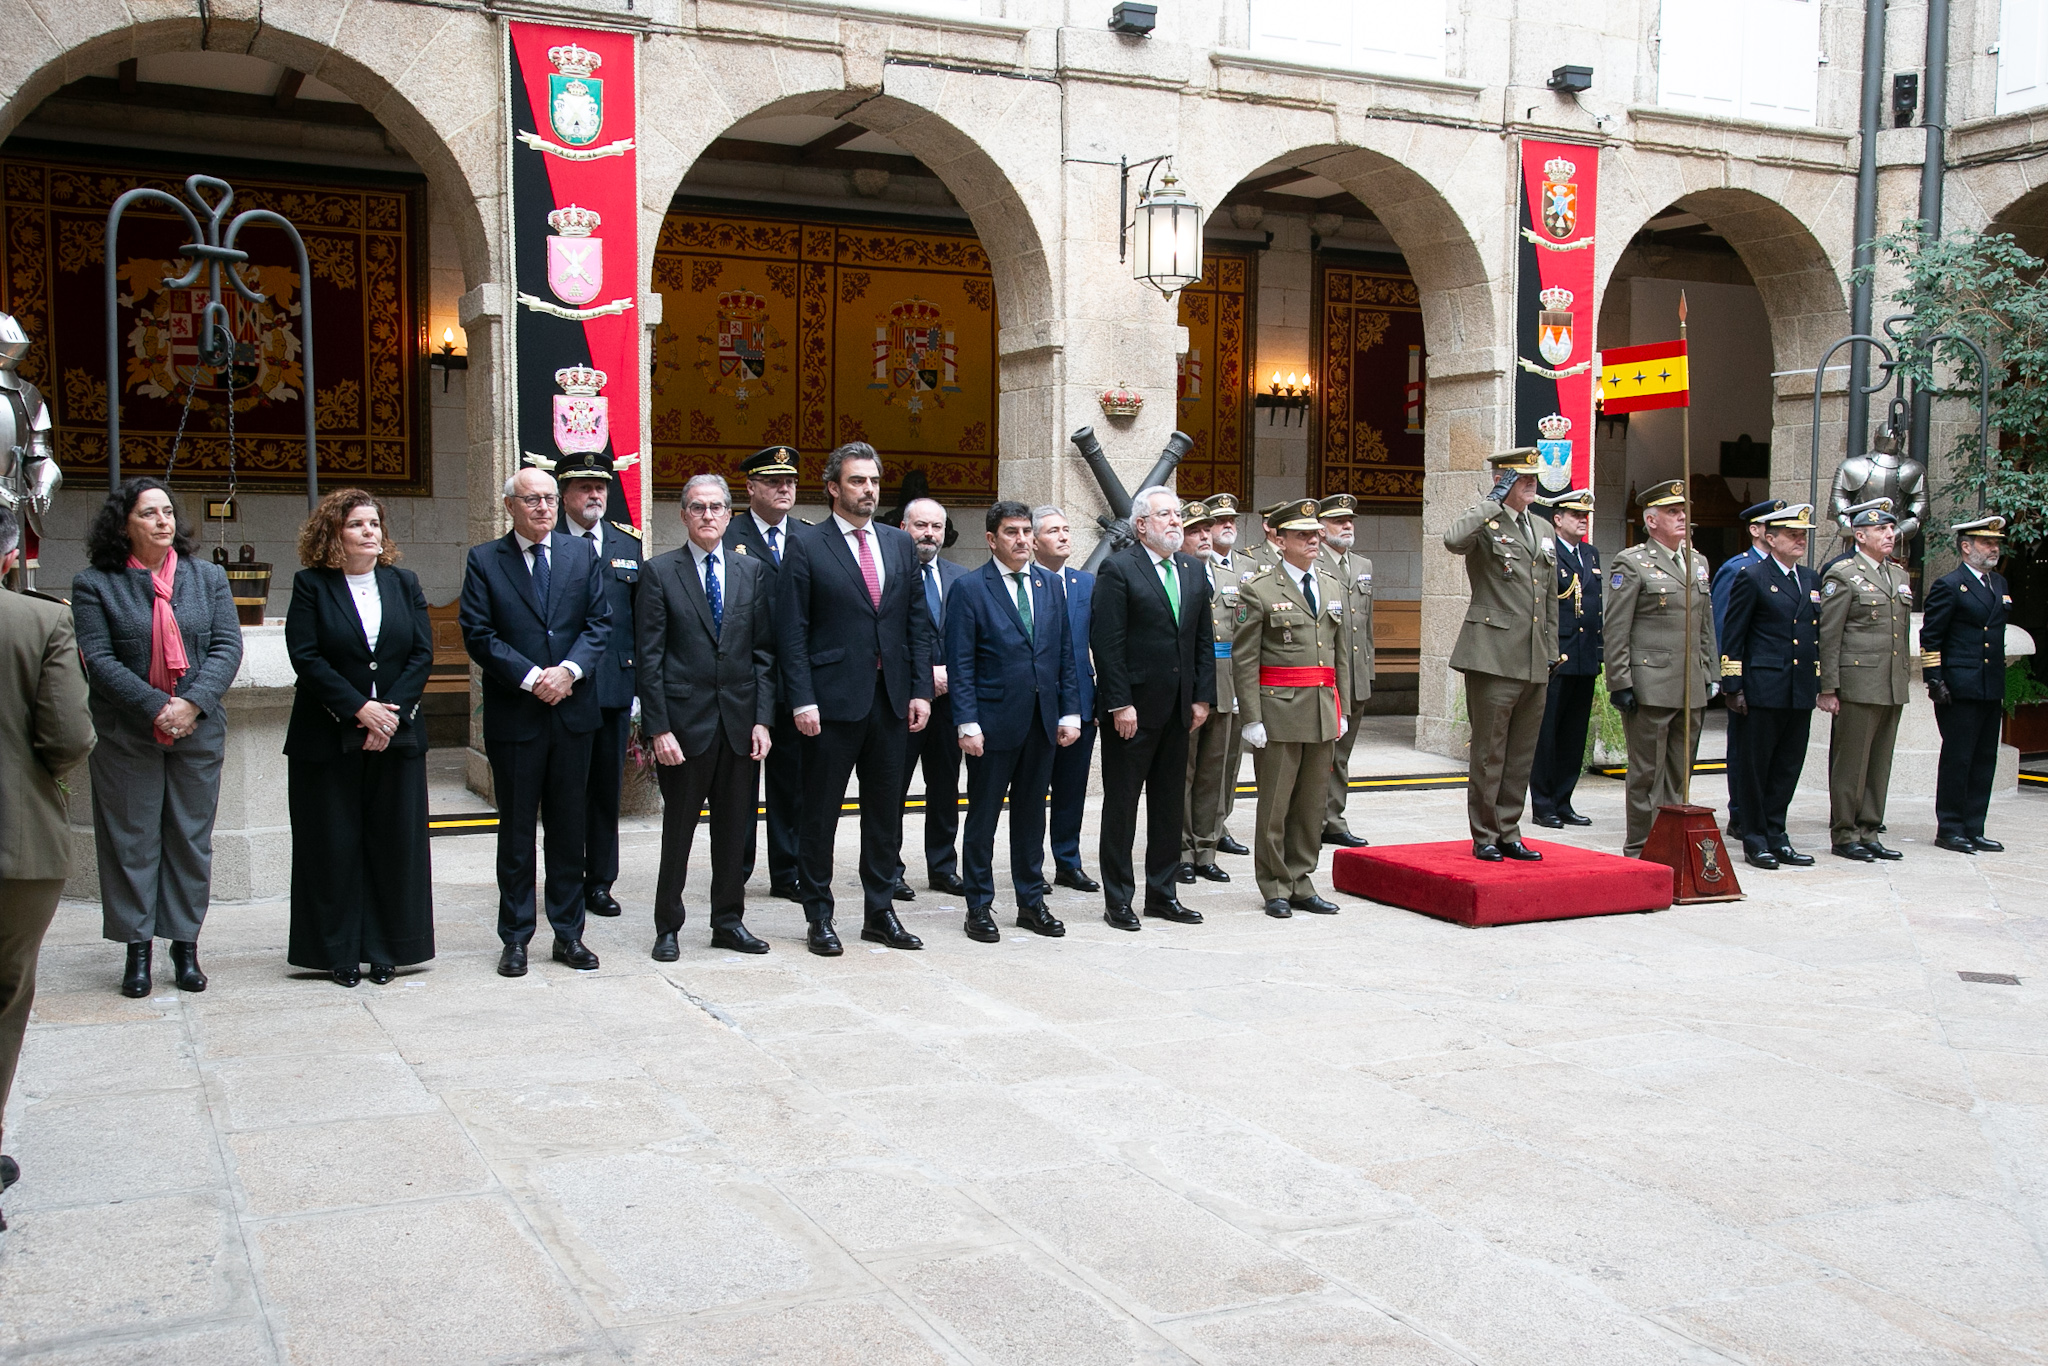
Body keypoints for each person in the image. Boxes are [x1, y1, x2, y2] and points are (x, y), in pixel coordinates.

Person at [71, 478, 242, 997]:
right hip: (127, 733)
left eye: (167, 511)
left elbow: (226, 647)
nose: (163, 520)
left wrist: (190, 704)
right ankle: (137, 951)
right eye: (149, 513)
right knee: (132, 840)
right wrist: (156, 707)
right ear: (123, 524)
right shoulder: (94, 584)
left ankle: (185, 947)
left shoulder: (207, 577)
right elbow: (97, 659)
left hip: (197, 729)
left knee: (190, 840)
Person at [776, 441, 932, 956]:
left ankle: (880, 912)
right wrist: (801, 699)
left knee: (885, 813)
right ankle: (819, 915)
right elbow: (792, 630)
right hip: (830, 703)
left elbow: (916, 623)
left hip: (890, 701)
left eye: (874, 481)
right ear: (833, 487)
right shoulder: (806, 544)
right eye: (857, 480)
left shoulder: (899, 543)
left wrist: (920, 690)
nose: (868, 489)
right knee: (820, 814)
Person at [459, 466, 613, 977]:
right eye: (532, 500)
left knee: (569, 830)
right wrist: (531, 678)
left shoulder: (581, 555)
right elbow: (479, 634)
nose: (543, 507)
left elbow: (599, 624)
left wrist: (568, 672)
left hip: (572, 714)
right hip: (517, 716)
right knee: (517, 833)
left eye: (549, 498)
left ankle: (569, 935)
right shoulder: (485, 560)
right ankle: (516, 937)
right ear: (510, 507)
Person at [283, 489, 437, 987]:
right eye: (357, 524)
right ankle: (338, 952)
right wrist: (358, 709)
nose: (370, 532)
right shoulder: (311, 585)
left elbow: (421, 653)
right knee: (332, 844)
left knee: (395, 844)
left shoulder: (403, 582)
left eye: (374, 523)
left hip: (397, 734)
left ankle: (389, 947)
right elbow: (306, 656)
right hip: (326, 736)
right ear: (333, 534)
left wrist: (388, 716)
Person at [0, 505, 94, 1231]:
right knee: (5, 997)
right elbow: (67, 735)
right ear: (11, 556)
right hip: (16, 843)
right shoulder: (39, 621)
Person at [639, 475, 776, 957]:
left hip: (739, 724)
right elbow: (649, 658)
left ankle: (728, 922)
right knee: (678, 832)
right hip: (683, 726)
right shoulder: (660, 572)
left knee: (734, 830)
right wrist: (658, 728)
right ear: (683, 515)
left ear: (729, 514)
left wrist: (763, 719)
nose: (708, 515)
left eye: (717, 507)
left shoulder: (751, 571)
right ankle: (668, 926)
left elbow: (763, 653)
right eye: (698, 507)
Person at [947, 501, 1081, 941]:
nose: (1022, 540)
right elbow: (960, 663)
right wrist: (967, 723)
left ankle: (1031, 902)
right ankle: (979, 906)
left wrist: (1069, 711)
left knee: (1031, 817)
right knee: (983, 818)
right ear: (991, 539)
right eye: (1011, 532)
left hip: (1042, 722)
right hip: (991, 724)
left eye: (1026, 531)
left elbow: (1064, 654)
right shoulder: (970, 588)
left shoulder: (1049, 584)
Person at [1091, 486, 1213, 930]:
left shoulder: (1192, 570)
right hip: (1133, 712)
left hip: (1178, 709)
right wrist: (1119, 702)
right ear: (1141, 525)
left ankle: (1163, 894)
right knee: (1122, 806)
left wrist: (1201, 696)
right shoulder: (1119, 568)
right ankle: (1118, 899)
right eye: (1165, 515)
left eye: (1177, 514)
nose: (1176, 521)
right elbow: (1107, 643)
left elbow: (1202, 640)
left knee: (1168, 807)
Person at [1234, 499, 1350, 917]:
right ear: (1280, 540)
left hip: (1320, 709)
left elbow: (1339, 654)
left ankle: (1302, 881)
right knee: (1275, 806)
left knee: (1311, 804)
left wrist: (1341, 708)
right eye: (1302, 535)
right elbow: (1245, 658)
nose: (1313, 541)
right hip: (1279, 711)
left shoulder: (1331, 585)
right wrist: (1251, 717)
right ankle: (1275, 886)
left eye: (1315, 534)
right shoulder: (1260, 588)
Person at [1444, 449, 1558, 862]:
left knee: (1521, 752)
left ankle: (1510, 830)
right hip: (1492, 655)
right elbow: (1453, 540)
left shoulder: (1542, 527)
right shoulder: (1485, 522)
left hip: (1533, 655)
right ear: (1501, 479)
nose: (1531, 483)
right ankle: (1486, 834)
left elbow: (1549, 597)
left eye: (1533, 477)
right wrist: (1493, 500)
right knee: (1489, 752)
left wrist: (1552, 650)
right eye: (1521, 477)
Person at [1600, 480, 1715, 858]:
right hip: (1650, 683)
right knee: (1647, 773)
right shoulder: (1632, 562)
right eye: (1672, 512)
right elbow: (1617, 627)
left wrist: (1711, 673)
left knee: (1681, 772)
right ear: (1651, 521)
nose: (1682, 517)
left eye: (1683, 511)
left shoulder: (1698, 562)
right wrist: (1620, 681)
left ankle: (1672, 843)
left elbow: (1705, 624)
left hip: (1690, 682)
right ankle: (1641, 847)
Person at [556, 452, 640, 921]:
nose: (594, 495)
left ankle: (601, 881)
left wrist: (640, 687)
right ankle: (566, 877)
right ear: (564, 494)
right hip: (564, 687)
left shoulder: (627, 543)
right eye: (584, 487)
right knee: (568, 790)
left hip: (612, 685)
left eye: (601, 487)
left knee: (607, 791)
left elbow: (641, 620)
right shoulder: (548, 541)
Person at [723, 445, 806, 900]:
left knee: (790, 781)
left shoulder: (808, 536)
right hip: (744, 674)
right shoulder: (728, 532)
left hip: (792, 678)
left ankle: (787, 871)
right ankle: (734, 869)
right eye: (774, 482)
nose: (784, 488)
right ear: (750, 487)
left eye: (790, 481)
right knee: (739, 782)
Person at [1719, 503, 1822, 870]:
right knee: (1755, 767)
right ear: (1771, 538)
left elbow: (1813, 635)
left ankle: (1778, 834)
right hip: (1762, 687)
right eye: (1792, 535)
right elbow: (1734, 635)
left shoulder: (1809, 578)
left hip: (1798, 688)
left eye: (1803, 535)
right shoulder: (1752, 576)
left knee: (1787, 766)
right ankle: (1755, 838)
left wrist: (1820, 683)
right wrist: (1733, 686)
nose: (1800, 540)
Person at [1818, 501, 1912, 862]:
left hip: (1890, 683)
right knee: (1851, 763)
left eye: (1891, 529)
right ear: (1860, 536)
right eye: (1881, 530)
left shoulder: (1898, 575)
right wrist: (1828, 687)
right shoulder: (1843, 575)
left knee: (1879, 762)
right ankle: (1845, 833)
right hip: (1857, 683)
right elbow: (1830, 635)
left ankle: (1869, 830)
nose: (1890, 534)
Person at [1922, 515, 2012, 856]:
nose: (1994, 549)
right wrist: (1934, 679)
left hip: (1989, 685)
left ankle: (1974, 827)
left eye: (1996, 543)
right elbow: (1931, 637)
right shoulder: (1950, 585)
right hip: (1959, 687)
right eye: (1987, 543)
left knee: (1984, 759)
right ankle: (1950, 828)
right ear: (1965, 547)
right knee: (1958, 759)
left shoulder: (1998, 584)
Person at [897, 496, 968, 899]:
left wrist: (951, 676)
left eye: (936, 527)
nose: (929, 534)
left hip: (949, 703)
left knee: (945, 788)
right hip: (904, 701)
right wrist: (925, 677)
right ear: (904, 528)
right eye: (921, 525)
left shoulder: (961, 578)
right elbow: (888, 639)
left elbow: (971, 639)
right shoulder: (890, 575)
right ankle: (888, 869)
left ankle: (943, 867)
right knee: (893, 789)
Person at [1034, 506, 1102, 892]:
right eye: (1053, 531)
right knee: (1032, 790)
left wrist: (1102, 700)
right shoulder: (1026, 583)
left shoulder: (1085, 583)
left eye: (1066, 529)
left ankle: (1068, 862)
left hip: (1081, 701)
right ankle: (1031, 866)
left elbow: (1102, 644)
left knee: (1071, 789)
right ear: (1033, 541)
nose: (1063, 537)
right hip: (1037, 702)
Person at [1529, 489, 1602, 828]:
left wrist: (1598, 652)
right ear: (1557, 519)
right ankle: (1544, 804)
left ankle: (1564, 800)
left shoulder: (1590, 553)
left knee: (1574, 735)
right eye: (1576, 515)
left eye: (1585, 515)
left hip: (1584, 657)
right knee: (1548, 735)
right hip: (1557, 657)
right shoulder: (1548, 552)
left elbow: (1594, 607)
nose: (1582, 520)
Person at [1711, 500, 1779, 842]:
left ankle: (1764, 814)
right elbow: (1724, 626)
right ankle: (1740, 814)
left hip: (1775, 678)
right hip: (1747, 675)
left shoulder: (1787, 571)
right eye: (1771, 524)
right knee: (1743, 750)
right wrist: (1729, 678)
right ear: (1755, 530)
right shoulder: (1738, 568)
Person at [1177, 500, 1235, 885]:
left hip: (1225, 685)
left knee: (1215, 773)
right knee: (1184, 772)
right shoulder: (1176, 574)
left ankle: (1206, 849)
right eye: (1194, 531)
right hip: (1188, 687)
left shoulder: (1228, 575)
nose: (1204, 536)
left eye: (1206, 530)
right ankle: (1181, 850)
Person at [1316, 492, 1376, 847]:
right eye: (1339, 521)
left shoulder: (1363, 565)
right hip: (1326, 675)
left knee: (1342, 755)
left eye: (1350, 520)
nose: (1347, 526)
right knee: (1322, 754)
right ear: (1321, 528)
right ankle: (1313, 818)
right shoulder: (1313, 562)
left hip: (1356, 674)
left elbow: (1366, 626)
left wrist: (1368, 671)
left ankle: (1333, 819)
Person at [1203, 493, 1254, 858]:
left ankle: (1220, 824)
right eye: (1220, 521)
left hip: (1238, 674)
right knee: (1205, 762)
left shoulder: (1249, 566)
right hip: (1209, 673)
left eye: (1232, 520)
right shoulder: (1197, 563)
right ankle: (1199, 829)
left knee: (1231, 759)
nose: (1227, 526)